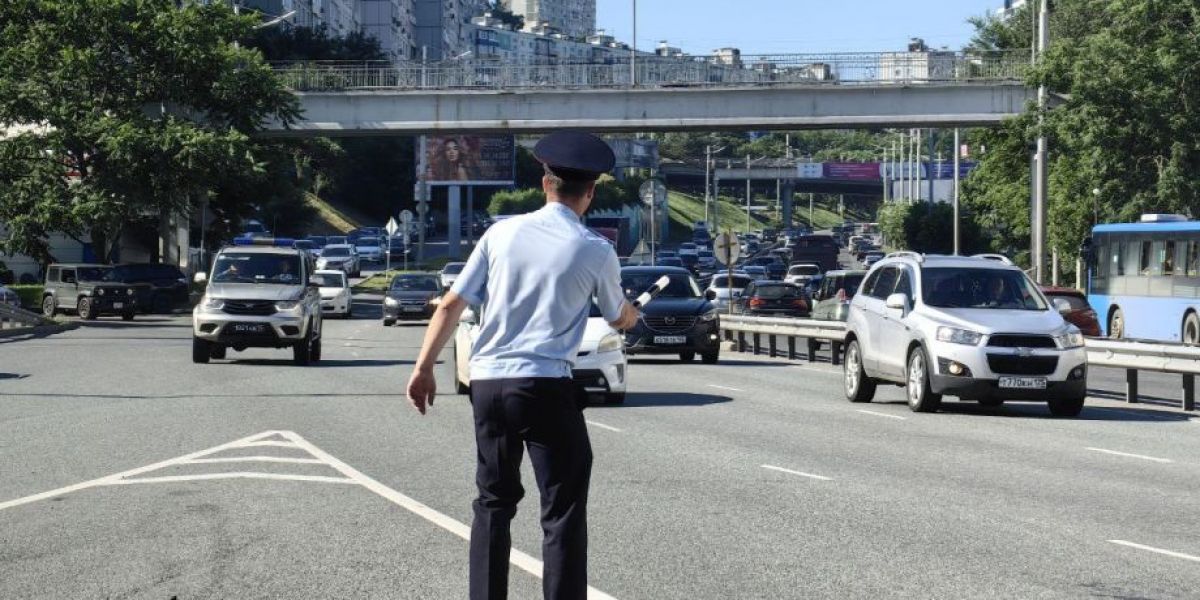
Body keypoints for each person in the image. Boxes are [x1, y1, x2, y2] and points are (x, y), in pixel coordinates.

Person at [407, 131, 639, 600]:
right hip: (545, 384)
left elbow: (451, 304)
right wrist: (634, 313)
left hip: (489, 383)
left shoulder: (501, 233)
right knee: (562, 509)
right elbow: (619, 316)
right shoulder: (595, 249)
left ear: (544, 183)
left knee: (492, 503)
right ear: (589, 193)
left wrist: (424, 367)